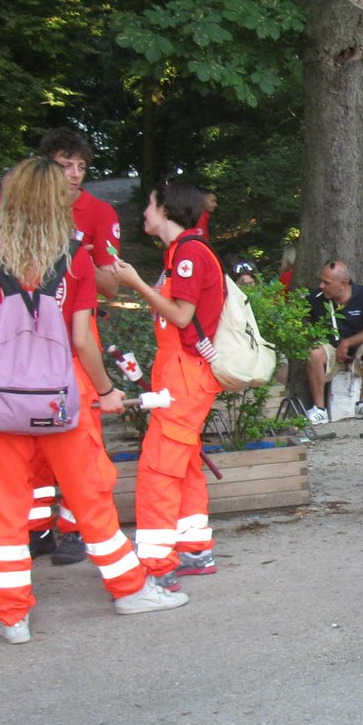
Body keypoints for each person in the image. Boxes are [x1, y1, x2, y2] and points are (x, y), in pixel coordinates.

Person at [0, 158, 187, 643]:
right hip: (65, 394)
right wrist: (107, 392)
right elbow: (82, 340)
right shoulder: (74, 258)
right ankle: (128, 590)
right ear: (61, 202)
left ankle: (12, 616)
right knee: (90, 494)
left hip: (1, 393)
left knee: (3, 506)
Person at [110, 180, 225, 584]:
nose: (144, 211)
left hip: (184, 373)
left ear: (167, 210)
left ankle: (157, 566)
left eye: (150, 204)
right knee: (184, 463)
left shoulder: (190, 253)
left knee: (159, 467)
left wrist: (137, 284)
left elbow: (180, 315)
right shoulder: (183, 252)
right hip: (183, 371)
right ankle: (194, 548)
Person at [22, 128, 123, 566]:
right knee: (26, 435)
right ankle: (35, 525)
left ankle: (73, 528)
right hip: (23, 346)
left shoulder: (97, 212)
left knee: (82, 437)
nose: (75, 174)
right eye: (66, 164)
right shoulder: (7, 210)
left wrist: (77, 258)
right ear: (45, 166)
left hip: (77, 335)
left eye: (82, 166)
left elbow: (111, 282)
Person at [305, 261, 363, 423]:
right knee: (313, 351)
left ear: (342, 284)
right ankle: (319, 409)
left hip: (357, 354)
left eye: (327, 283)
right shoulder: (316, 298)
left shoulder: (362, 295)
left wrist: (347, 343)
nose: (321, 286)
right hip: (330, 352)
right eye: (321, 281)